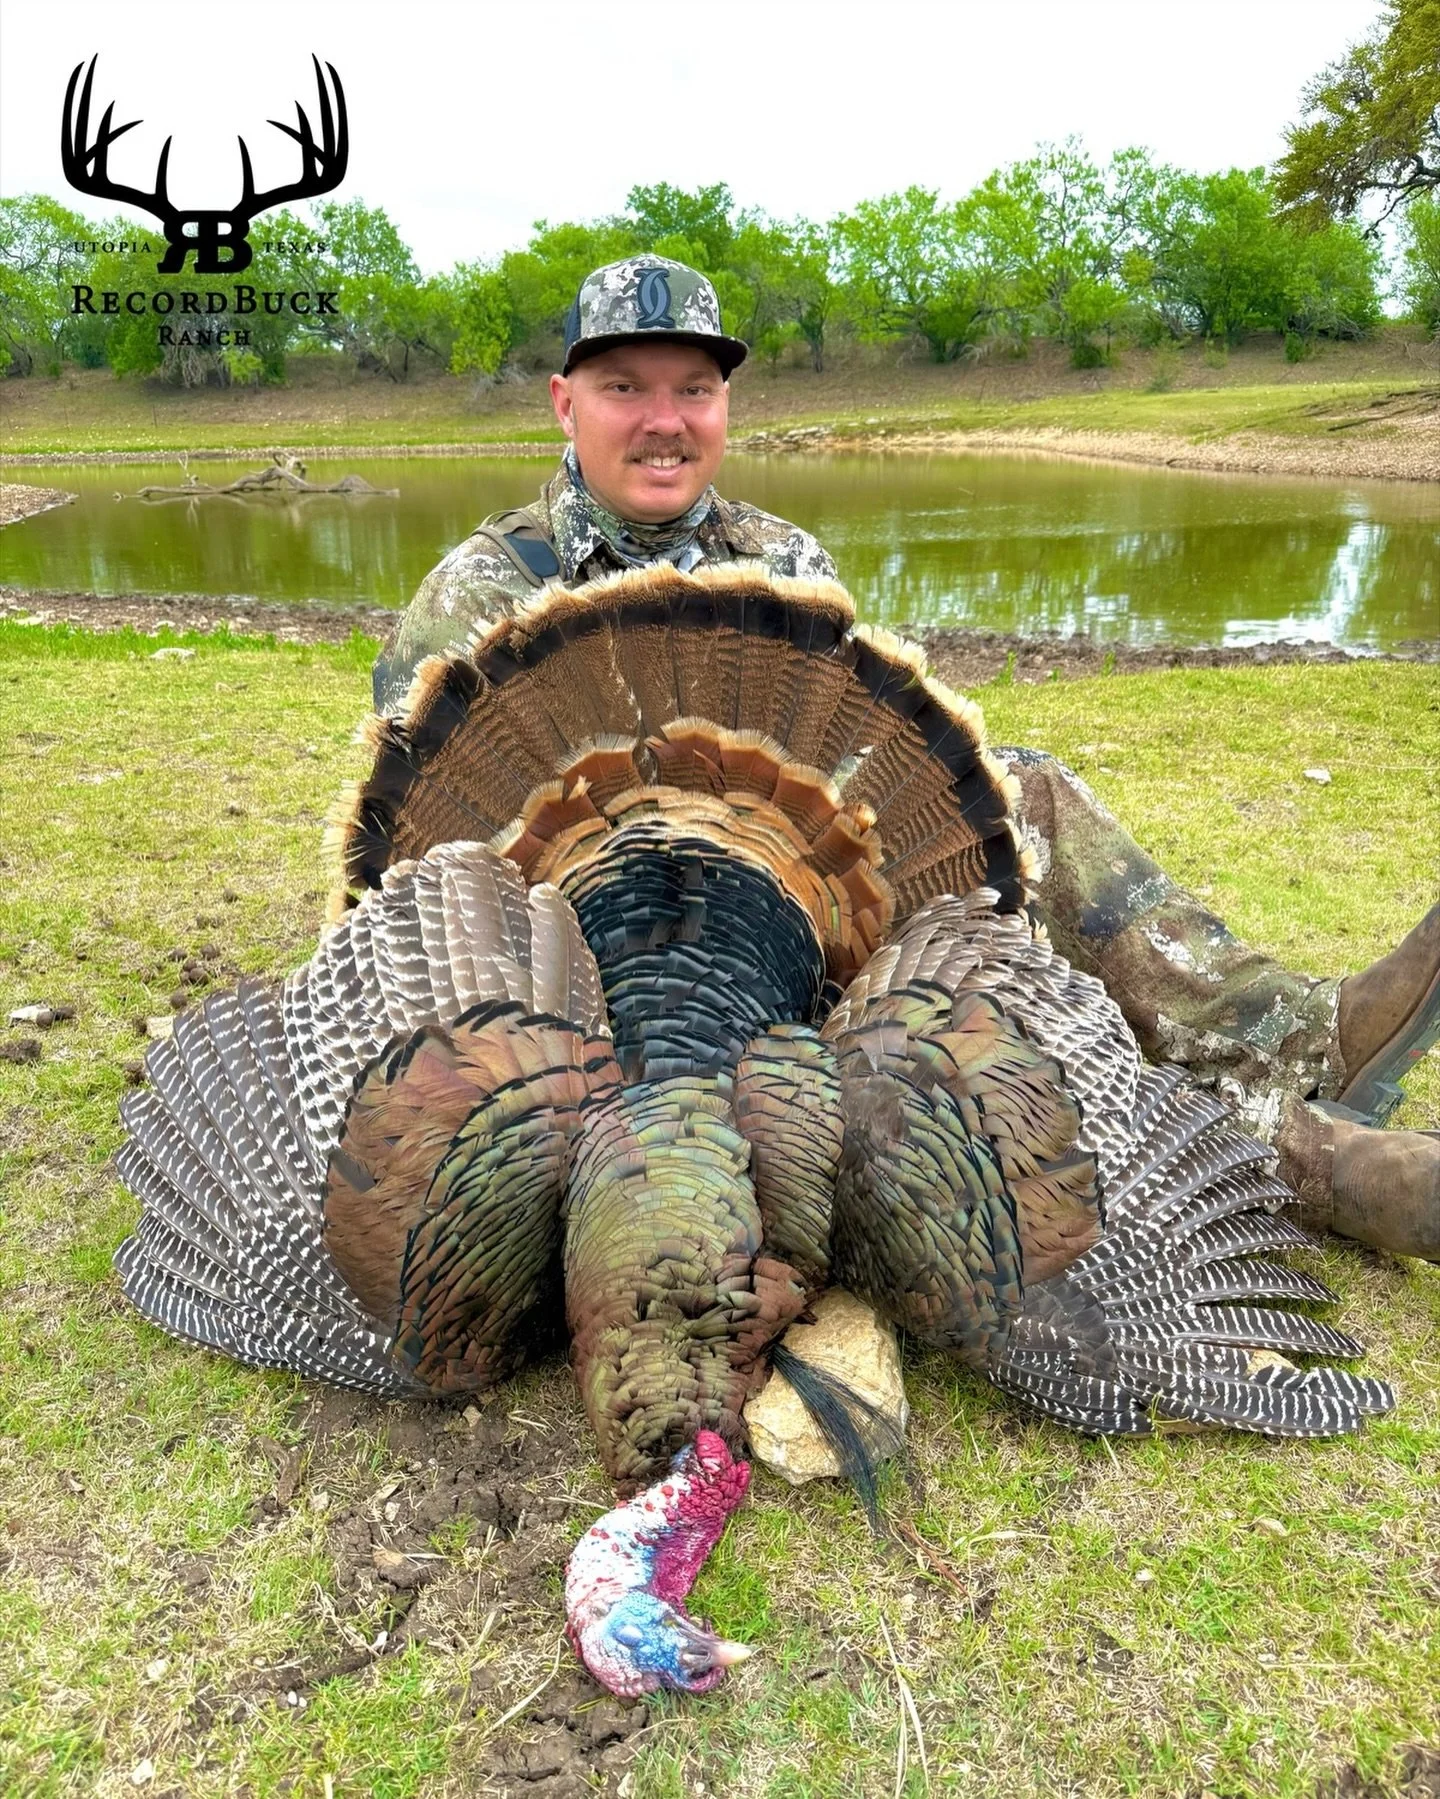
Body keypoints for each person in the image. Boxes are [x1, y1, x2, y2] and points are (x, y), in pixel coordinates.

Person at [374, 255, 1440, 1261]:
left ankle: (1298, 1037)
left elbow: (867, 776)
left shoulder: (784, 557)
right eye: (625, 387)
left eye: (694, 388)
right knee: (958, 1038)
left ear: (726, 406)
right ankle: (1297, 1160)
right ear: (566, 403)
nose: (665, 421)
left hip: (791, 937)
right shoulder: (480, 592)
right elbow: (426, 886)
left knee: (1024, 796)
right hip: (608, 991)